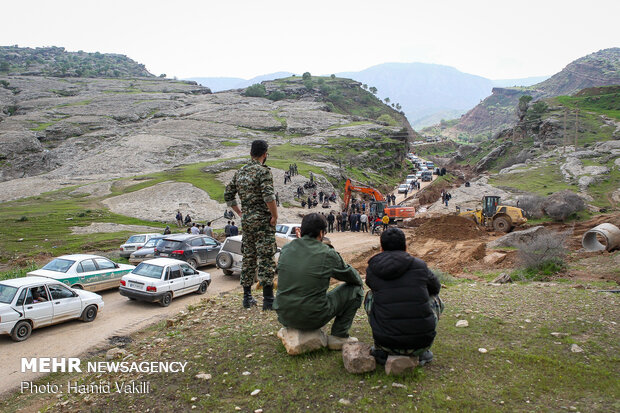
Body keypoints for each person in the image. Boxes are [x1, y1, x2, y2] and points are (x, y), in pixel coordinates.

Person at [274, 213, 363, 350]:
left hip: (284, 316)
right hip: (312, 317)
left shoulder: (286, 249)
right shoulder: (327, 253)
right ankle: (339, 336)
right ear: (321, 233)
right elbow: (354, 278)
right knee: (356, 290)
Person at [364, 228, 443, 366]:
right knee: (435, 298)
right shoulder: (420, 265)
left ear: (381, 248)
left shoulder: (373, 268)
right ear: (406, 246)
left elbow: (373, 286)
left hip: (386, 344)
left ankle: (381, 350)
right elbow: (435, 288)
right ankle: (421, 353)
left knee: (370, 296)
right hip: (420, 345)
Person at [224, 139, 278, 309]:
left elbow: (228, 195)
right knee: (266, 257)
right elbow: (269, 197)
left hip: (247, 222)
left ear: (250, 153)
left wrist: (240, 212)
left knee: (248, 257)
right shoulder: (264, 172)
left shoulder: (240, 172)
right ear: (265, 154)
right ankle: (268, 300)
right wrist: (274, 216)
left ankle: (247, 298)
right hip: (263, 221)